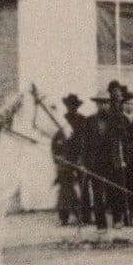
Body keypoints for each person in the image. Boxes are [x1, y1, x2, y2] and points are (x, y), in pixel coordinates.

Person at [82, 92, 126, 232]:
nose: (103, 106)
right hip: (95, 164)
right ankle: (101, 225)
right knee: (97, 195)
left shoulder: (117, 120)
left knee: (115, 192)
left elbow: (124, 139)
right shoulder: (89, 121)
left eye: (106, 103)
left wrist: (122, 160)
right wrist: (84, 164)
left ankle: (117, 219)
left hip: (113, 163)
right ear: (96, 104)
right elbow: (85, 144)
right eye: (100, 103)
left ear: (110, 104)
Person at [51, 94, 85, 225]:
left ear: (77, 106)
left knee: (83, 187)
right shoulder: (62, 120)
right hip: (65, 159)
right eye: (69, 106)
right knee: (65, 188)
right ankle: (63, 217)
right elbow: (55, 141)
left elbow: (85, 141)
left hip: (80, 158)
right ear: (66, 106)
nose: (71, 108)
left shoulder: (83, 120)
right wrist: (57, 158)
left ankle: (83, 216)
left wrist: (82, 158)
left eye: (74, 106)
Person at [119, 88, 133, 226]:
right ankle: (120, 218)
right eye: (127, 103)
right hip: (123, 159)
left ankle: (129, 219)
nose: (130, 106)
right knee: (122, 188)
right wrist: (121, 159)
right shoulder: (119, 119)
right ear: (123, 104)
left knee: (132, 189)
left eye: (132, 103)